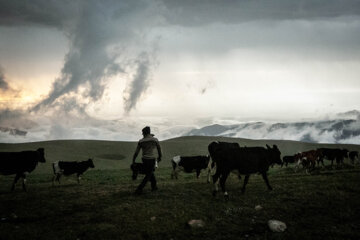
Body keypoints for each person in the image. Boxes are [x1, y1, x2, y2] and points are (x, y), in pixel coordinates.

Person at [132, 126, 162, 194]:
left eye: (142, 133)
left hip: (144, 159)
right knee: (149, 174)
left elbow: (136, 152)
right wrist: (160, 157)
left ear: (144, 133)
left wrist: (133, 160)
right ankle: (139, 189)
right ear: (149, 132)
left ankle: (154, 187)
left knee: (150, 172)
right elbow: (159, 149)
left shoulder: (141, 141)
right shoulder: (155, 140)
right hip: (152, 159)